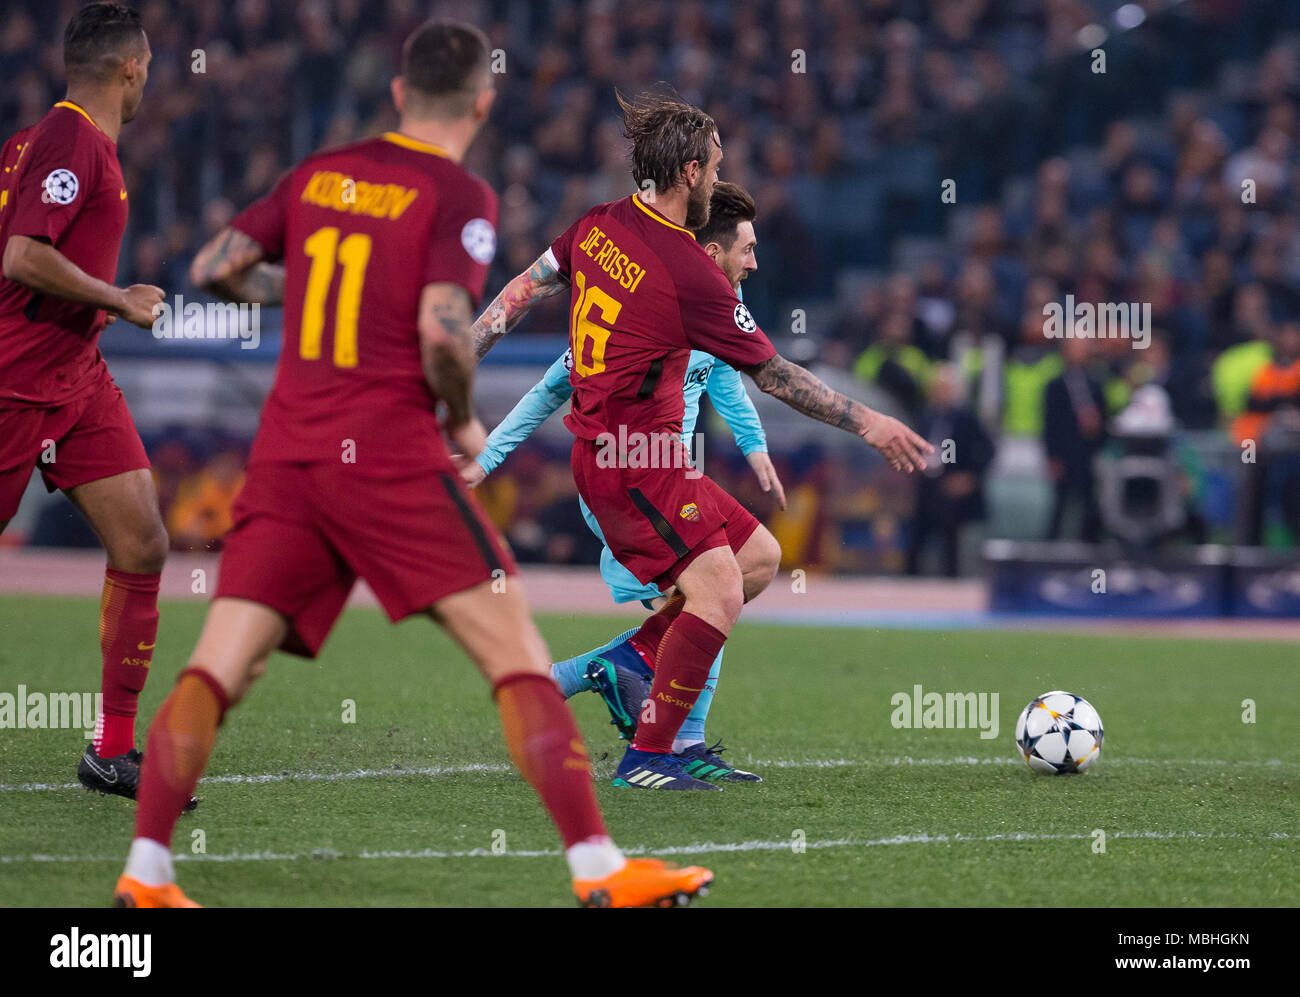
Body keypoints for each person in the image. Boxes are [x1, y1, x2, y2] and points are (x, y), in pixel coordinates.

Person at [115, 20, 710, 909]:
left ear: (397, 94)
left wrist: (312, 286)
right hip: (389, 460)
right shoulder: (458, 194)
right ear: (483, 101)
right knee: (515, 653)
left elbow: (217, 265)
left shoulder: (320, 174)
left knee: (221, 663)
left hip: (287, 459)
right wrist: (466, 421)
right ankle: (600, 868)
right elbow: (441, 330)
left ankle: (148, 871)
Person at [471, 88, 932, 791]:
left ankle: (626, 667)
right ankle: (649, 756)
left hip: (642, 458)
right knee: (714, 590)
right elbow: (773, 374)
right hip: (630, 462)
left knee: (757, 558)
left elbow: (525, 287)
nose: (720, 176)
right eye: (715, 165)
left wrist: (461, 354)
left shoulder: (596, 225)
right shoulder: (689, 271)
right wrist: (869, 421)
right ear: (689, 172)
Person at [462, 182, 782, 782]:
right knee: (709, 600)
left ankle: (646, 715)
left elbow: (731, 383)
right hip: (626, 477)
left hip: (671, 479)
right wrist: (486, 458)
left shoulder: (713, 315)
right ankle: (650, 742)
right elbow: (551, 387)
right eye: (746, 248)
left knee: (743, 574)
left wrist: (755, 447)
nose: (754, 263)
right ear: (710, 253)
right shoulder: (652, 306)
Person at [0, 2, 188, 807]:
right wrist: (118, 297)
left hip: (75, 375)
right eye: (148, 69)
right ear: (130, 70)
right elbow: (22, 256)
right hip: (15, 380)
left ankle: (111, 751)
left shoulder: (43, 142)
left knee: (143, 541)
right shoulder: (74, 141)